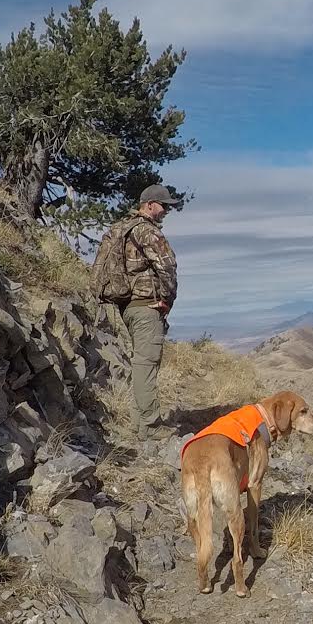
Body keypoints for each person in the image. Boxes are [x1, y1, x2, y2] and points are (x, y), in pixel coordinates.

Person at [122, 184, 180, 441]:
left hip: (127, 308)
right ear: (149, 205)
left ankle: (138, 424)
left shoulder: (123, 229)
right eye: (163, 205)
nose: (166, 210)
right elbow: (167, 267)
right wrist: (168, 299)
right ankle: (151, 426)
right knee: (146, 365)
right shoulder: (148, 233)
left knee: (141, 365)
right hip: (147, 308)